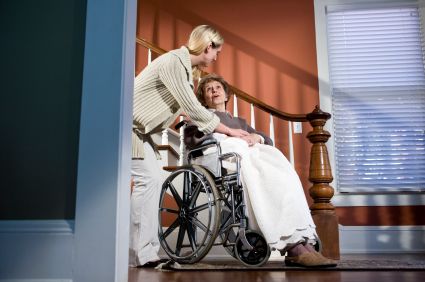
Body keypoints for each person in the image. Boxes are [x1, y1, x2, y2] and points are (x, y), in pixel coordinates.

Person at [185, 73, 337, 267]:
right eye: (208, 89)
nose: (214, 91)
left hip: (247, 154)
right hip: (225, 157)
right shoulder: (202, 116)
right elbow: (192, 141)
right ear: (203, 98)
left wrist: (256, 138)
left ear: (226, 95)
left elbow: (264, 136)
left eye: (217, 88)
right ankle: (294, 247)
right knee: (259, 175)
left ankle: (301, 238)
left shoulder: (239, 122)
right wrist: (227, 136)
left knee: (282, 174)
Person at [130, 25, 250, 268]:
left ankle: (145, 252)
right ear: (208, 48)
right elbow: (192, 105)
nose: (216, 57)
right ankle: (139, 253)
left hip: (143, 132)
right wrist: (227, 129)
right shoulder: (174, 62)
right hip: (127, 126)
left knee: (153, 182)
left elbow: (182, 106)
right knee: (149, 181)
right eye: (217, 52)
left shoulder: (183, 70)